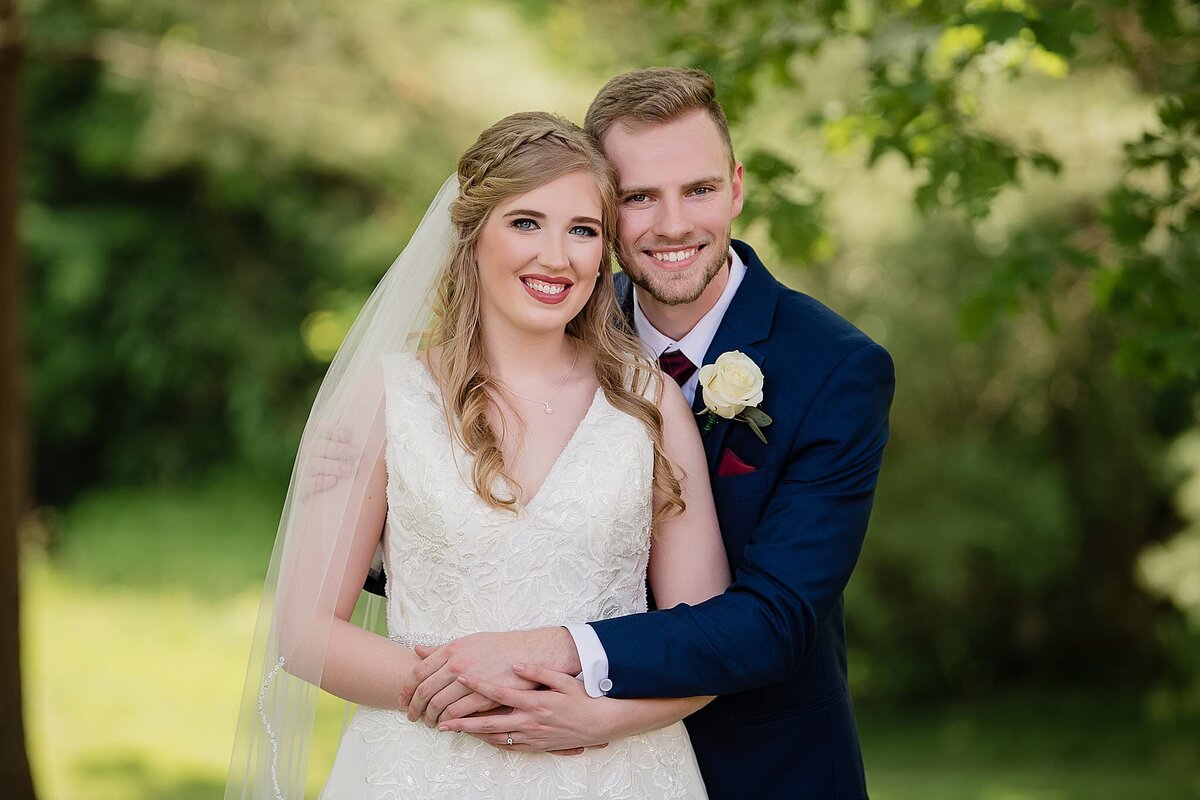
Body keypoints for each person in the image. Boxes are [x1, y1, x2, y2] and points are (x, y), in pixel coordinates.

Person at [403, 69, 896, 800]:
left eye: (697, 190)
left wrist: (579, 675)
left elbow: (774, 619)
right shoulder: (546, 322)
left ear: (735, 187)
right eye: (638, 198)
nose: (672, 226)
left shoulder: (837, 369)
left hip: (763, 770)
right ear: (604, 208)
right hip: (526, 762)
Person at [224, 111, 731, 799]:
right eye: (526, 223)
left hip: (616, 771)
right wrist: (469, 695)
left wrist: (594, 717)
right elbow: (304, 628)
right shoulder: (384, 400)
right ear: (470, 238)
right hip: (423, 769)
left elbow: (706, 643)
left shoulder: (649, 405)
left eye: (581, 231)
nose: (557, 257)